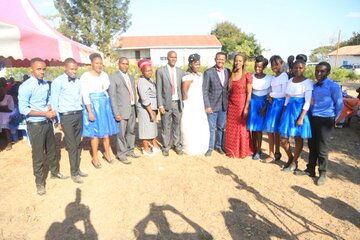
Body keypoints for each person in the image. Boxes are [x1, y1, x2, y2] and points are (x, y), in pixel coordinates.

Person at [18, 58, 68, 196]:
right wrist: (44, 113)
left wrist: (51, 111)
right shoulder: (26, 86)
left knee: (52, 150)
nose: (42, 72)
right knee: (38, 155)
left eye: (44, 69)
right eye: (39, 69)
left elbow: (47, 101)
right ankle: (39, 183)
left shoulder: (45, 84)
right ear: (32, 70)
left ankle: (55, 172)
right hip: (35, 125)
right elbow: (23, 109)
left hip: (47, 123)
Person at [296, 62, 343, 186]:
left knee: (322, 148)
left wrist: (335, 120)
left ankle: (322, 172)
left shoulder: (333, 86)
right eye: (317, 71)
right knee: (312, 146)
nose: (318, 73)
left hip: (326, 120)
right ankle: (310, 169)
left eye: (322, 71)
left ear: (328, 72)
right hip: (313, 119)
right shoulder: (313, 86)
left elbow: (339, 105)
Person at [50, 58, 87, 184]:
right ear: (65, 68)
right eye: (71, 69)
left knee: (78, 144)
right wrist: (58, 121)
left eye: (76, 69)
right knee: (71, 145)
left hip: (78, 114)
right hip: (66, 117)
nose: (74, 71)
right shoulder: (57, 82)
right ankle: (74, 173)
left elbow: (81, 99)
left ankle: (77, 168)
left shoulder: (78, 81)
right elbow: (54, 102)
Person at [80, 53, 119, 169]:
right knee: (95, 134)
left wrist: (109, 107)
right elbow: (85, 95)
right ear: (91, 63)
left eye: (101, 63)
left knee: (106, 133)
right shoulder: (85, 76)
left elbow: (106, 91)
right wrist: (90, 111)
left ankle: (107, 153)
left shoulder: (105, 75)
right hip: (93, 106)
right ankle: (95, 157)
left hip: (104, 105)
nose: (99, 65)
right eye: (97, 63)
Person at [279, 60, 313, 172]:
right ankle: (290, 158)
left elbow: (307, 102)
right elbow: (287, 98)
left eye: (300, 68)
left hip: (299, 111)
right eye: (296, 68)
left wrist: (301, 117)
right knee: (283, 139)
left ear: (304, 68)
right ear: (292, 68)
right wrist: (283, 112)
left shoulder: (308, 82)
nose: (298, 70)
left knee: (298, 138)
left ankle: (294, 162)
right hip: (289, 110)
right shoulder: (290, 81)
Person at [108, 57, 139, 164]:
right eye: (123, 63)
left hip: (132, 108)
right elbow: (112, 97)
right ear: (119, 64)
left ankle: (130, 150)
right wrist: (116, 113)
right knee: (121, 133)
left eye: (127, 64)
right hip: (121, 110)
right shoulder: (113, 77)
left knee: (131, 131)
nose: (125, 66)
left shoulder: (130, 77)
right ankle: (121, 154)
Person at [223, 53, 253, 158]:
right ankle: (231, 150)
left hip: (241, 104)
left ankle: (242, 151)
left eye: (240, 61)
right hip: (231, 104)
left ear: (244, 62)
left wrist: (246, 108)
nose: (237, 63)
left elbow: (249, 93)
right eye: (236, 60)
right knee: (231, 128)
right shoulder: (231, 74)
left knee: (241, 128)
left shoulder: (247, 75)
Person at [156, 51, 185, 157]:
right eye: (171, 57)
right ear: (167, 58)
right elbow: (158, 89)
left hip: (177, 103)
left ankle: (177, 146)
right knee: (165, 126)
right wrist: (160, 105)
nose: (173, 59)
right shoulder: (160, 71)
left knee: (177, 126)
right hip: (166, 104)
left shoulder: (180, 71)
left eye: (175, 57)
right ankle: (166, 147)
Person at [203, 52, 231, 156]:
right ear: (215, 59)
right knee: (211, 128)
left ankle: (219, 146)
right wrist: (207, 106)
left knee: (221, 127)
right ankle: (210, 148)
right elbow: (205, 90)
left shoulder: (228, 72)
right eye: (218, 59)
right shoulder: (208, 72)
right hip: (212, 106)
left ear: (225, 60)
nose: (220, 61)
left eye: (222, 59)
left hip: (224, 105)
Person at [181, 54, 210, 155]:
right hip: (191, 103)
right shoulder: (187, 76)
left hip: (200, 102)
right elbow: (184, 92)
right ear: (190, 64)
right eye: (195, 64)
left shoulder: (200, 75)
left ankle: (201, 146)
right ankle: (190, 147)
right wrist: (187, 105)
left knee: (200, 124)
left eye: (198, 64)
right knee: (191, 124)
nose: (197, 66)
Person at [262, 55, 289, 162]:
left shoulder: (284, 76)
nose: (274, 67)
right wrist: (270, 96)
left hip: (279, 105)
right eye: (272, 65)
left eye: (276, 65)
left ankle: (276, 152)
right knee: (270, 130)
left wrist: (271, 94)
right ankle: (272, 153)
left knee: (276, 131)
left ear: (281, 64)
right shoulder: (274, 77)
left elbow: (284, 93)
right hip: (272, 104)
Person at [247, 55, 271, 160]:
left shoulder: (269, 78)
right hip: (253, 104)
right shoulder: (251, 77)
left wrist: (265, 107)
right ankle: (254, 147)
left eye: (260, 67)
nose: (257, 69)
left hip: (263, 106)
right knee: (253, 129)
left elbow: (270, 94)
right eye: (256, 66)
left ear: (264, 67)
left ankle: (258, 150)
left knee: (259, 129)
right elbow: (249, 93)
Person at [137, 59, 161, 155]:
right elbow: (145, 98)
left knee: (151, 127)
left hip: (152, 108)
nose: (149, 72)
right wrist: (151, 112)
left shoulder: (150, 80)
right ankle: (145, 148)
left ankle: (154, 145)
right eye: (147, 71)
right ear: (142, 71)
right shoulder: (141, 82)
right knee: (145, 128)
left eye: (150, 70)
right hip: (145, 109)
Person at [0, 80, 14, 150]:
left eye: (1, 90)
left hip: (8, 114)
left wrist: (3, 108)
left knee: (4, 122)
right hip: (1, 114)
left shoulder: (9, 97)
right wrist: (3, 108)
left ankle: (9, 143)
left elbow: (10, 109)